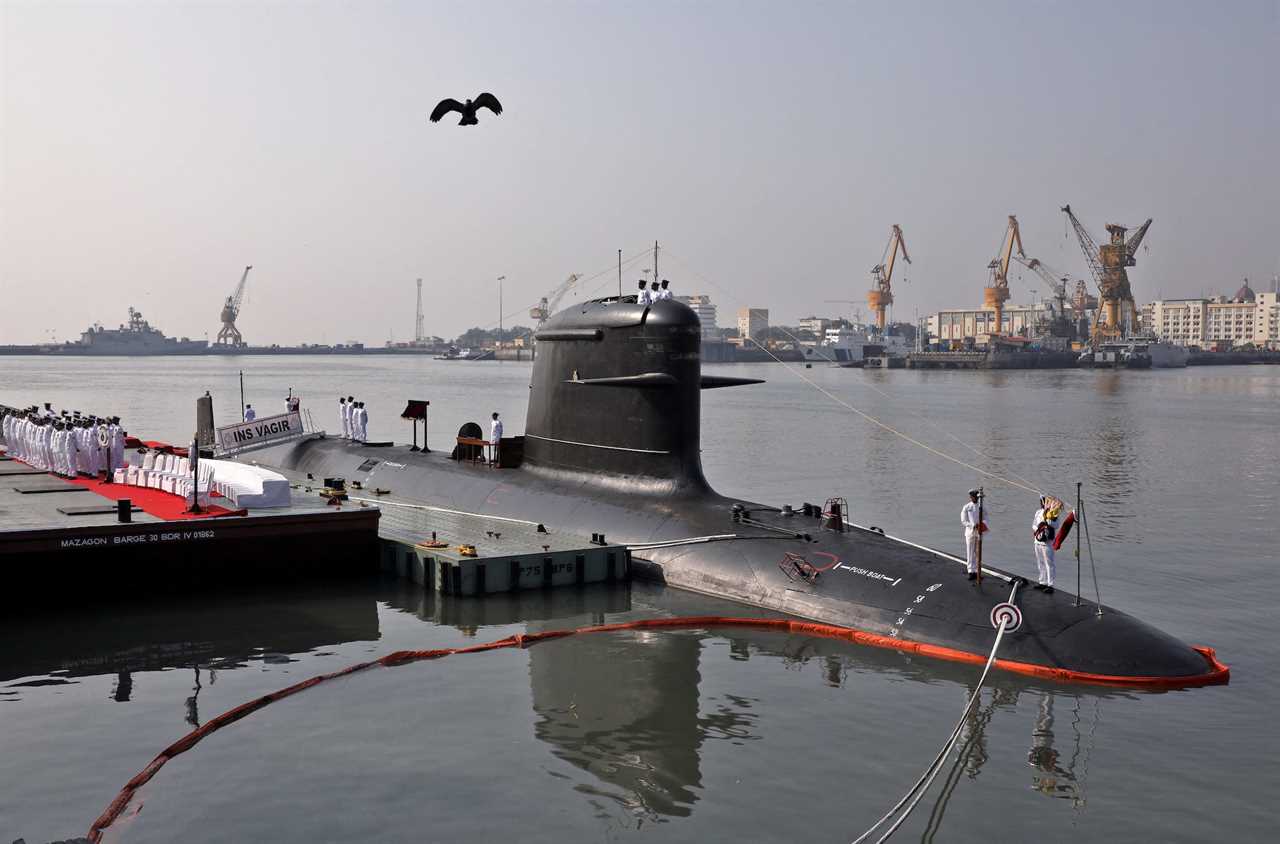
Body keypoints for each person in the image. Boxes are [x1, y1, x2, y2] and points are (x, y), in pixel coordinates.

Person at [1032, 496, 1060, 593]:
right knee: (1040, 562)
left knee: (1049, 563)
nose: (1043, 503)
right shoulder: (1038, 512)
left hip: (1048, 543)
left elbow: (1056, 525)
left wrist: (1048, 519)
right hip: (1038, 540)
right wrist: (1039, 529)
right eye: (1043, 501)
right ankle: (1042, 581)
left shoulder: (1054, 514)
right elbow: (1034, 525)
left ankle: (1050, 584)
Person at [961, 489, 987, 580]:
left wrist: (981, 524)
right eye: (972, 497)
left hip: (979, 531)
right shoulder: (967, 507)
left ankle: (976, 571)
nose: (973, 498)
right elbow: (964, 521)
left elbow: (985, 519)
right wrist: (972, 525)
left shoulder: (982, 508)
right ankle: (970, 571)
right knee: (970, 551)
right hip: (970, 532)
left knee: (977, 552)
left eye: (975, 497)